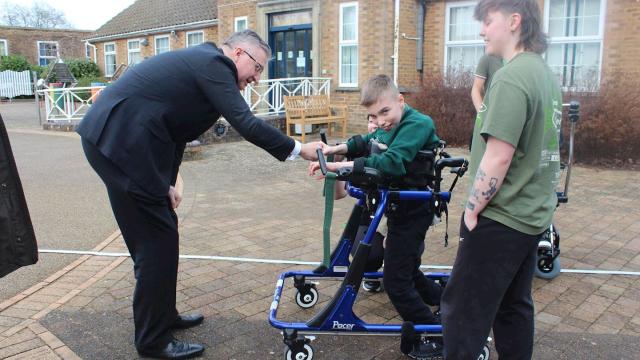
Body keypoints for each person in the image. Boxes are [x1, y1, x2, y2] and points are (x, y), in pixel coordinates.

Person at [77, 30, 324, 359]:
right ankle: (153, 342)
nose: (257, 78)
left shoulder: (206, 66)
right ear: (238, 54)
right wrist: (299, 148)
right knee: (155, 243)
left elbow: (177, 132)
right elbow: (246, 123)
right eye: (258, 67)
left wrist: (166, 182)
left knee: (162, 234)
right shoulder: (213, 64)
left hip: (126, 145)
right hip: (118, 144)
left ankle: (163, 317)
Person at [440, 1, 562, 359]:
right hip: (531, 217)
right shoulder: (545, 75)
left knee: (464, 313)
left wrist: (473, 210)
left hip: (500, 217)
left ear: (513, 21)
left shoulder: (511, 77)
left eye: (487, 21)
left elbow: (499, 156)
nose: (481, 30)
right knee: (513, 307)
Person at [309, 74, 444, 359]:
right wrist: (335, 149)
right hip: (398, 206)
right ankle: (438, 298)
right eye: (373, 115)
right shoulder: (389, 124)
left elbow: (391, 163)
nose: (381, 121)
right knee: (403, 267)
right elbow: (369, 140)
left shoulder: (418, 124)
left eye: (385, 112)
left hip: (413, 209)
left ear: (400, 101)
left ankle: (435, 331)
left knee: (395, 281)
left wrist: (340, 167)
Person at [470, 53, 503, 149]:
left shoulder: (518, 60)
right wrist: (483, 116)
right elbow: (476, 89)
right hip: (490, 118)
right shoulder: (488, 58)